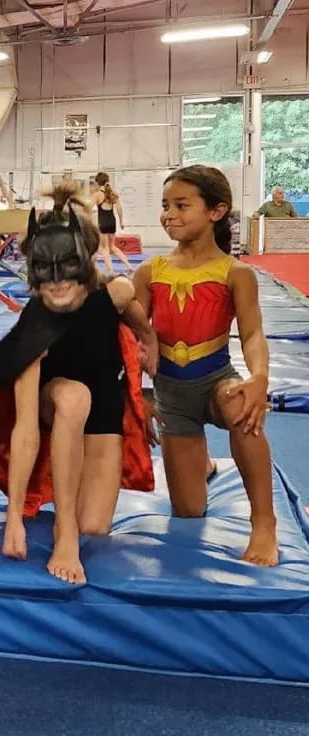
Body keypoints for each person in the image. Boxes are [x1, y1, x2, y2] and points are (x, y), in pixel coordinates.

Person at [0, 181, 156, 584]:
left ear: (87, 259)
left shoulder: (116, 295)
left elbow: (142, 329)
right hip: (52, 412)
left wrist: (148, 380)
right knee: (75, 396)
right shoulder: (36, 326)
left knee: (96, 525)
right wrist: (13, 520)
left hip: (103, 421)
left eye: (68, 267)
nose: (57, 282)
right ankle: (64, 534)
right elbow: (23, 428)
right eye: (45, 269)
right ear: (32, 270)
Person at [134, 165, 278, 567]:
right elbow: (131, 338)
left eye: (181, 205)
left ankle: (263, 522)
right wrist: (139, 396)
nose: (169, 214)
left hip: (216, 382)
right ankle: (206, 463)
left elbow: (251, 334)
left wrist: (259, 378)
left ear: (216, 211)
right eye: (165, 206)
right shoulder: (150, 272)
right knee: (188, 512)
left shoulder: (236, 273)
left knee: (240, 407)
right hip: (171, 396)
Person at [90, 172, 134, 275]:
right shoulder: (113, 192)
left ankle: (110, 270)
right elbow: (119, 208)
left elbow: (88, 208)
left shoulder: (97, 194)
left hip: (103, 223)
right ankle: (129, 266)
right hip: (112, 222)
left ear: (97, 182)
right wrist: (121, 221)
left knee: (104, 249)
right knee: (112, 247)